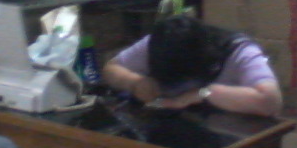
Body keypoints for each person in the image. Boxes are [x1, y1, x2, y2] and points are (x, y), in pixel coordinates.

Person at [101, 15, 282, 117]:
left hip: (227, 132)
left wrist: (204, 94)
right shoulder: (160, 42)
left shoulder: (240, 51)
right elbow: (111, 69)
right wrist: (135, 82)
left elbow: (271, 101)